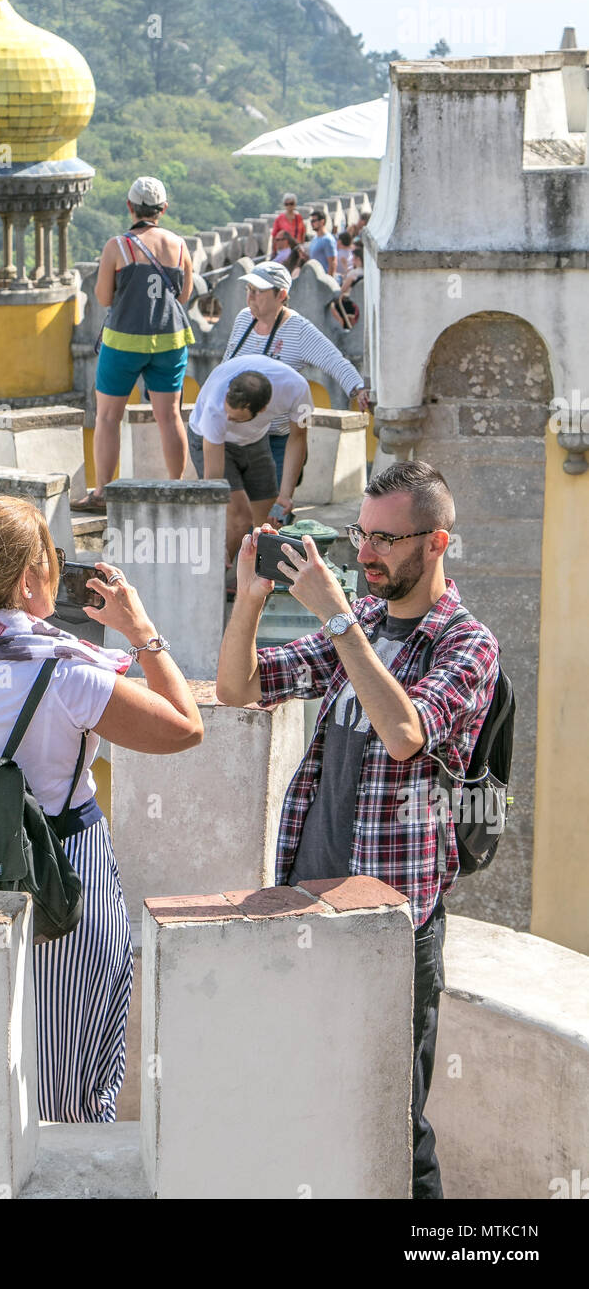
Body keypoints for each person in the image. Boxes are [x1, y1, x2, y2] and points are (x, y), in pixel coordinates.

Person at [215, 460, 499, 1197]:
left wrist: (336, 617)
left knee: (394, 1124)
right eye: (360, 535)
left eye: (386, 540)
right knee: (309, 1095)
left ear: (436, 543)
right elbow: (240, 688)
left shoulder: (465, 645)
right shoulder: (367, 623)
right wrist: (250, 600)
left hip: (392, 921)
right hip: (309, 901)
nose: (366, 554)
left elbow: (405, 733)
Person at [0, 495, 203, 1122]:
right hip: (66, 883)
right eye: (53, 559)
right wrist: (141, 631)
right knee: (70, 1095)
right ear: (28, 579)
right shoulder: (68, 671)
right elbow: (183, 726)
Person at [72, 176, 194, 513]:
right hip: (170, 339)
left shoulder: (118, 246)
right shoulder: (180, 246)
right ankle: (177, 489)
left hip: (124, 340)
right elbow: (184, 296)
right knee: (170, 416)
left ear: (130, 207)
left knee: (109, 417)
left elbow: (103, 296)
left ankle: (102, 494)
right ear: (163, 209)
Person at [220, 260, 369, 514]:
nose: (251, 298)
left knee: (269, 514)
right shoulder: (244, 319)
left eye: (259, 291)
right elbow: (226, 366)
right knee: (235, 513)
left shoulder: (298, 330)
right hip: (237, 434)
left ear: (282, 295)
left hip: (275, 441)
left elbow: (334, 360)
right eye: (249, 290)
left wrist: (358, 388)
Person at [187, 357, 312, 571]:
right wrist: (218, 536)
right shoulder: (216, 408)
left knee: (267, 522)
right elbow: (214, 480)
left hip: (256, 440)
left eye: (235, 419)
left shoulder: (298, 389)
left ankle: (252, 580)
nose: (228, 419)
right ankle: (216, 574)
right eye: (228, 413)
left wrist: (285, 494)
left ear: (262, 409)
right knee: (239, 517)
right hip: (210, 440)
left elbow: (298, 437)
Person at [329, 242, 364, 330]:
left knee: (332, 306)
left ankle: (341, 326)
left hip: (349, 303)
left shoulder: (353, 274)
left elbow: (341, 291)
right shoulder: (365, 272)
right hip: (359, 302)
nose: (352, 260)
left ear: (357, 259)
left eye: (353, 258)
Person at [308, 208, 338, 276]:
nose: (312, 223)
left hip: (324, 278)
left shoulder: (328, 240)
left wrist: (330, 280)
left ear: (322, 221)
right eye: (311, 221)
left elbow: (332, 262)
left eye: (314, 221)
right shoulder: (315, 238)